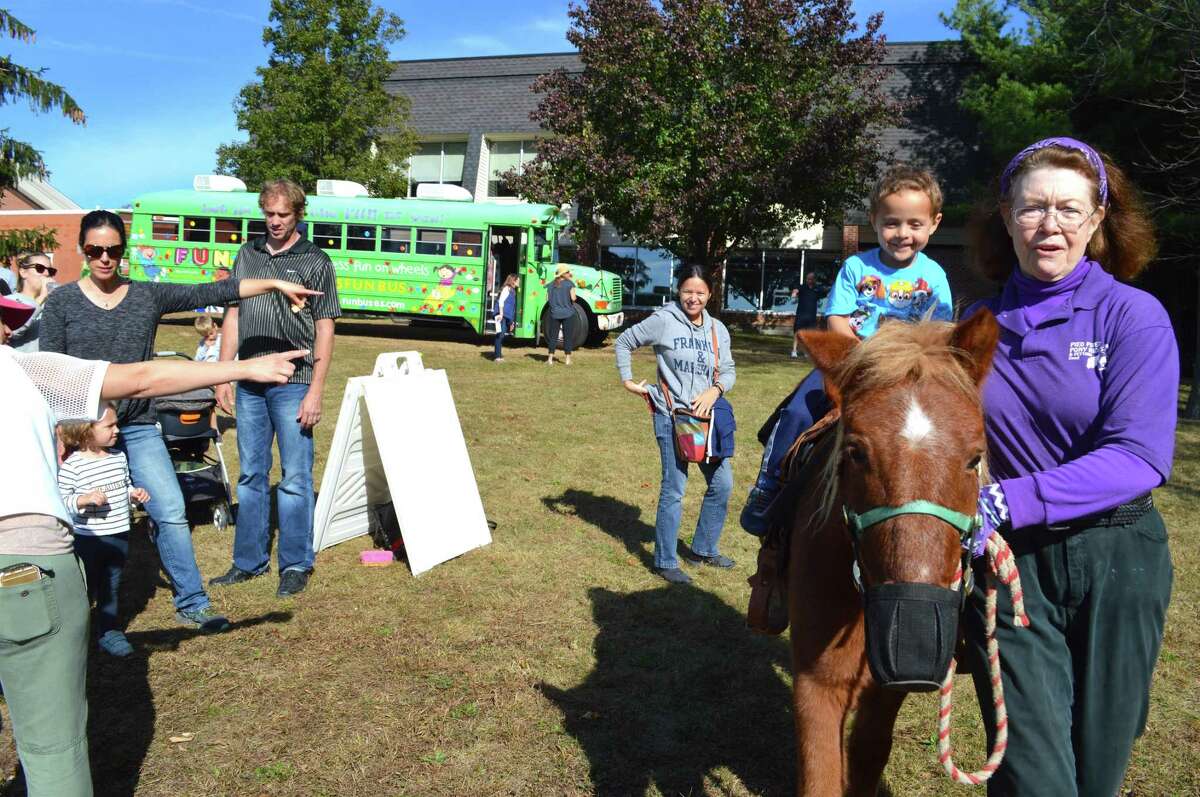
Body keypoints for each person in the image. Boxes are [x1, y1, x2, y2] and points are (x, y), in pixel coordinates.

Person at [1, 292, 304, 796]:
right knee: (53, 751)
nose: (11, 332)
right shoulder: (25, 370)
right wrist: (244, 365)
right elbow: (145, 377)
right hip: (29, 566)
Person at [963, 137, 1175, 796]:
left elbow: (1138, 456)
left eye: (1068, 209)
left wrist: (1010, 498)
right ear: (1005, 216)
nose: (1048, 225)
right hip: (1013, 566)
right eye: (1032, 208)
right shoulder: (977, 323)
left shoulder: (1132, 317)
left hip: (1118, 557)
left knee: (1096, 770)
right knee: (1033, 771)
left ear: (1097, 220)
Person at [40, 209, 320, 631]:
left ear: (123, 250)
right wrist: (63, 436)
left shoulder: (145, 295)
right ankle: (82, 616)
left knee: (170, 509)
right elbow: (51, 375)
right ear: (83, 249)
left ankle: (192, 602)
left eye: (113, 250)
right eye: (95, 249)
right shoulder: (62, 302)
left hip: (136, 425)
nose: (104, 258)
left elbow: (216, 289)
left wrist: (274, 282)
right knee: (79, 523)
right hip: (84, 434)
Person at [740, 165, 952, 534]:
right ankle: (768, 484)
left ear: (934, 223)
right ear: (874, 221)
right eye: (892, 223)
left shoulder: (934, 276)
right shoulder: (856, 266)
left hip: (908, 370)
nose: (903, 234)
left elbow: (941, 329)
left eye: (915, 224)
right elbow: (836, 320)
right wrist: (865, 357)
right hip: (854, 363)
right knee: (797, 411)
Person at [210, 179, 341, 598]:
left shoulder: (315, 260)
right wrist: (223, 373)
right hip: (249, 378)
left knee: (296, 477)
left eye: (283, 215)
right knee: (250, 475)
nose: (275, 222)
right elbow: (232, 316)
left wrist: (315, 390)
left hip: (293, 381)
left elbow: (325, 328)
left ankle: (296, 564)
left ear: (298, 214)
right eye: (269, 214)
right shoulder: (247, 254)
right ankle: (247, 561)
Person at [615, 264, 736, 584]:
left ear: (710, 294)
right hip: (670, 417)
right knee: (674, 489)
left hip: (707, 421)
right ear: (678, 290)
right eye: (687, 291)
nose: (693, 298)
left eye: (700, 292)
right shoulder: (664, 320)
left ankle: (703, 549)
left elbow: (728, 371)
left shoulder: (718, 330)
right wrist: (628, 380)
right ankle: (666, 561)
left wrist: (715, 390)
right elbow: (624, 341)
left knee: (722, 484)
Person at [57, 404, 150, 658]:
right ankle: (73, 634)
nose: (117, 430)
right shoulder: (73, 466)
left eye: (116, 424)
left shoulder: (118, 457)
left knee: (112, 584)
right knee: (83, 589)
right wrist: (82, 499)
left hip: (120, 534)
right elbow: (61, 500)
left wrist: (134, 495)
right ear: (86, 431)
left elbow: (125, 485)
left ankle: (108, 632)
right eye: (109, 426)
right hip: (89, 539)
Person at [8, 252, 56, 352]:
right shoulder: (9, 301)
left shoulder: (52, 304)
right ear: (23, 272)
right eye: (40, 268)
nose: (46, 274)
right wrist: (42, 297)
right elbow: (12, 332)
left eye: (50, 271)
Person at [545, 264, 576, 365]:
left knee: (553, 337)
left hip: (554, 314)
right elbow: (573, 298)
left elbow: (547, 299)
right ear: (563, 274)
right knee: (567, 337)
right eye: (567, 272)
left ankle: (550, 359)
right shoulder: (569, 284)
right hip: (568, 314)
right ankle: (567, 360)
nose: (569, 274)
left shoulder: (551, 284)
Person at [789, 271, 821, 358]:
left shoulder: (817, 289)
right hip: (801, 315)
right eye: (807, 279)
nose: (809, 280)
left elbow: (822, 297)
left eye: (810, 279)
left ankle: (806, 352)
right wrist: (794, 293)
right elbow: (795, 291)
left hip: (811, 316)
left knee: (809, 334)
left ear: (814, 279)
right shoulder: (802, 287)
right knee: (797, 333)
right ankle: (794, 351)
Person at [493, 273, 518, 362]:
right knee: (500, 335)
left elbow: (511, 308)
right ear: (513, 281)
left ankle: (499, 356)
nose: (519, 282)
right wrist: (501, 314)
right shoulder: (506, 289)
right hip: (500, 315)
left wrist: (511, 322)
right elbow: (501, 302)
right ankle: (497, 357)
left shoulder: (512, 291)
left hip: (505, 316)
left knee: (502, 335)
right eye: (517, 280)